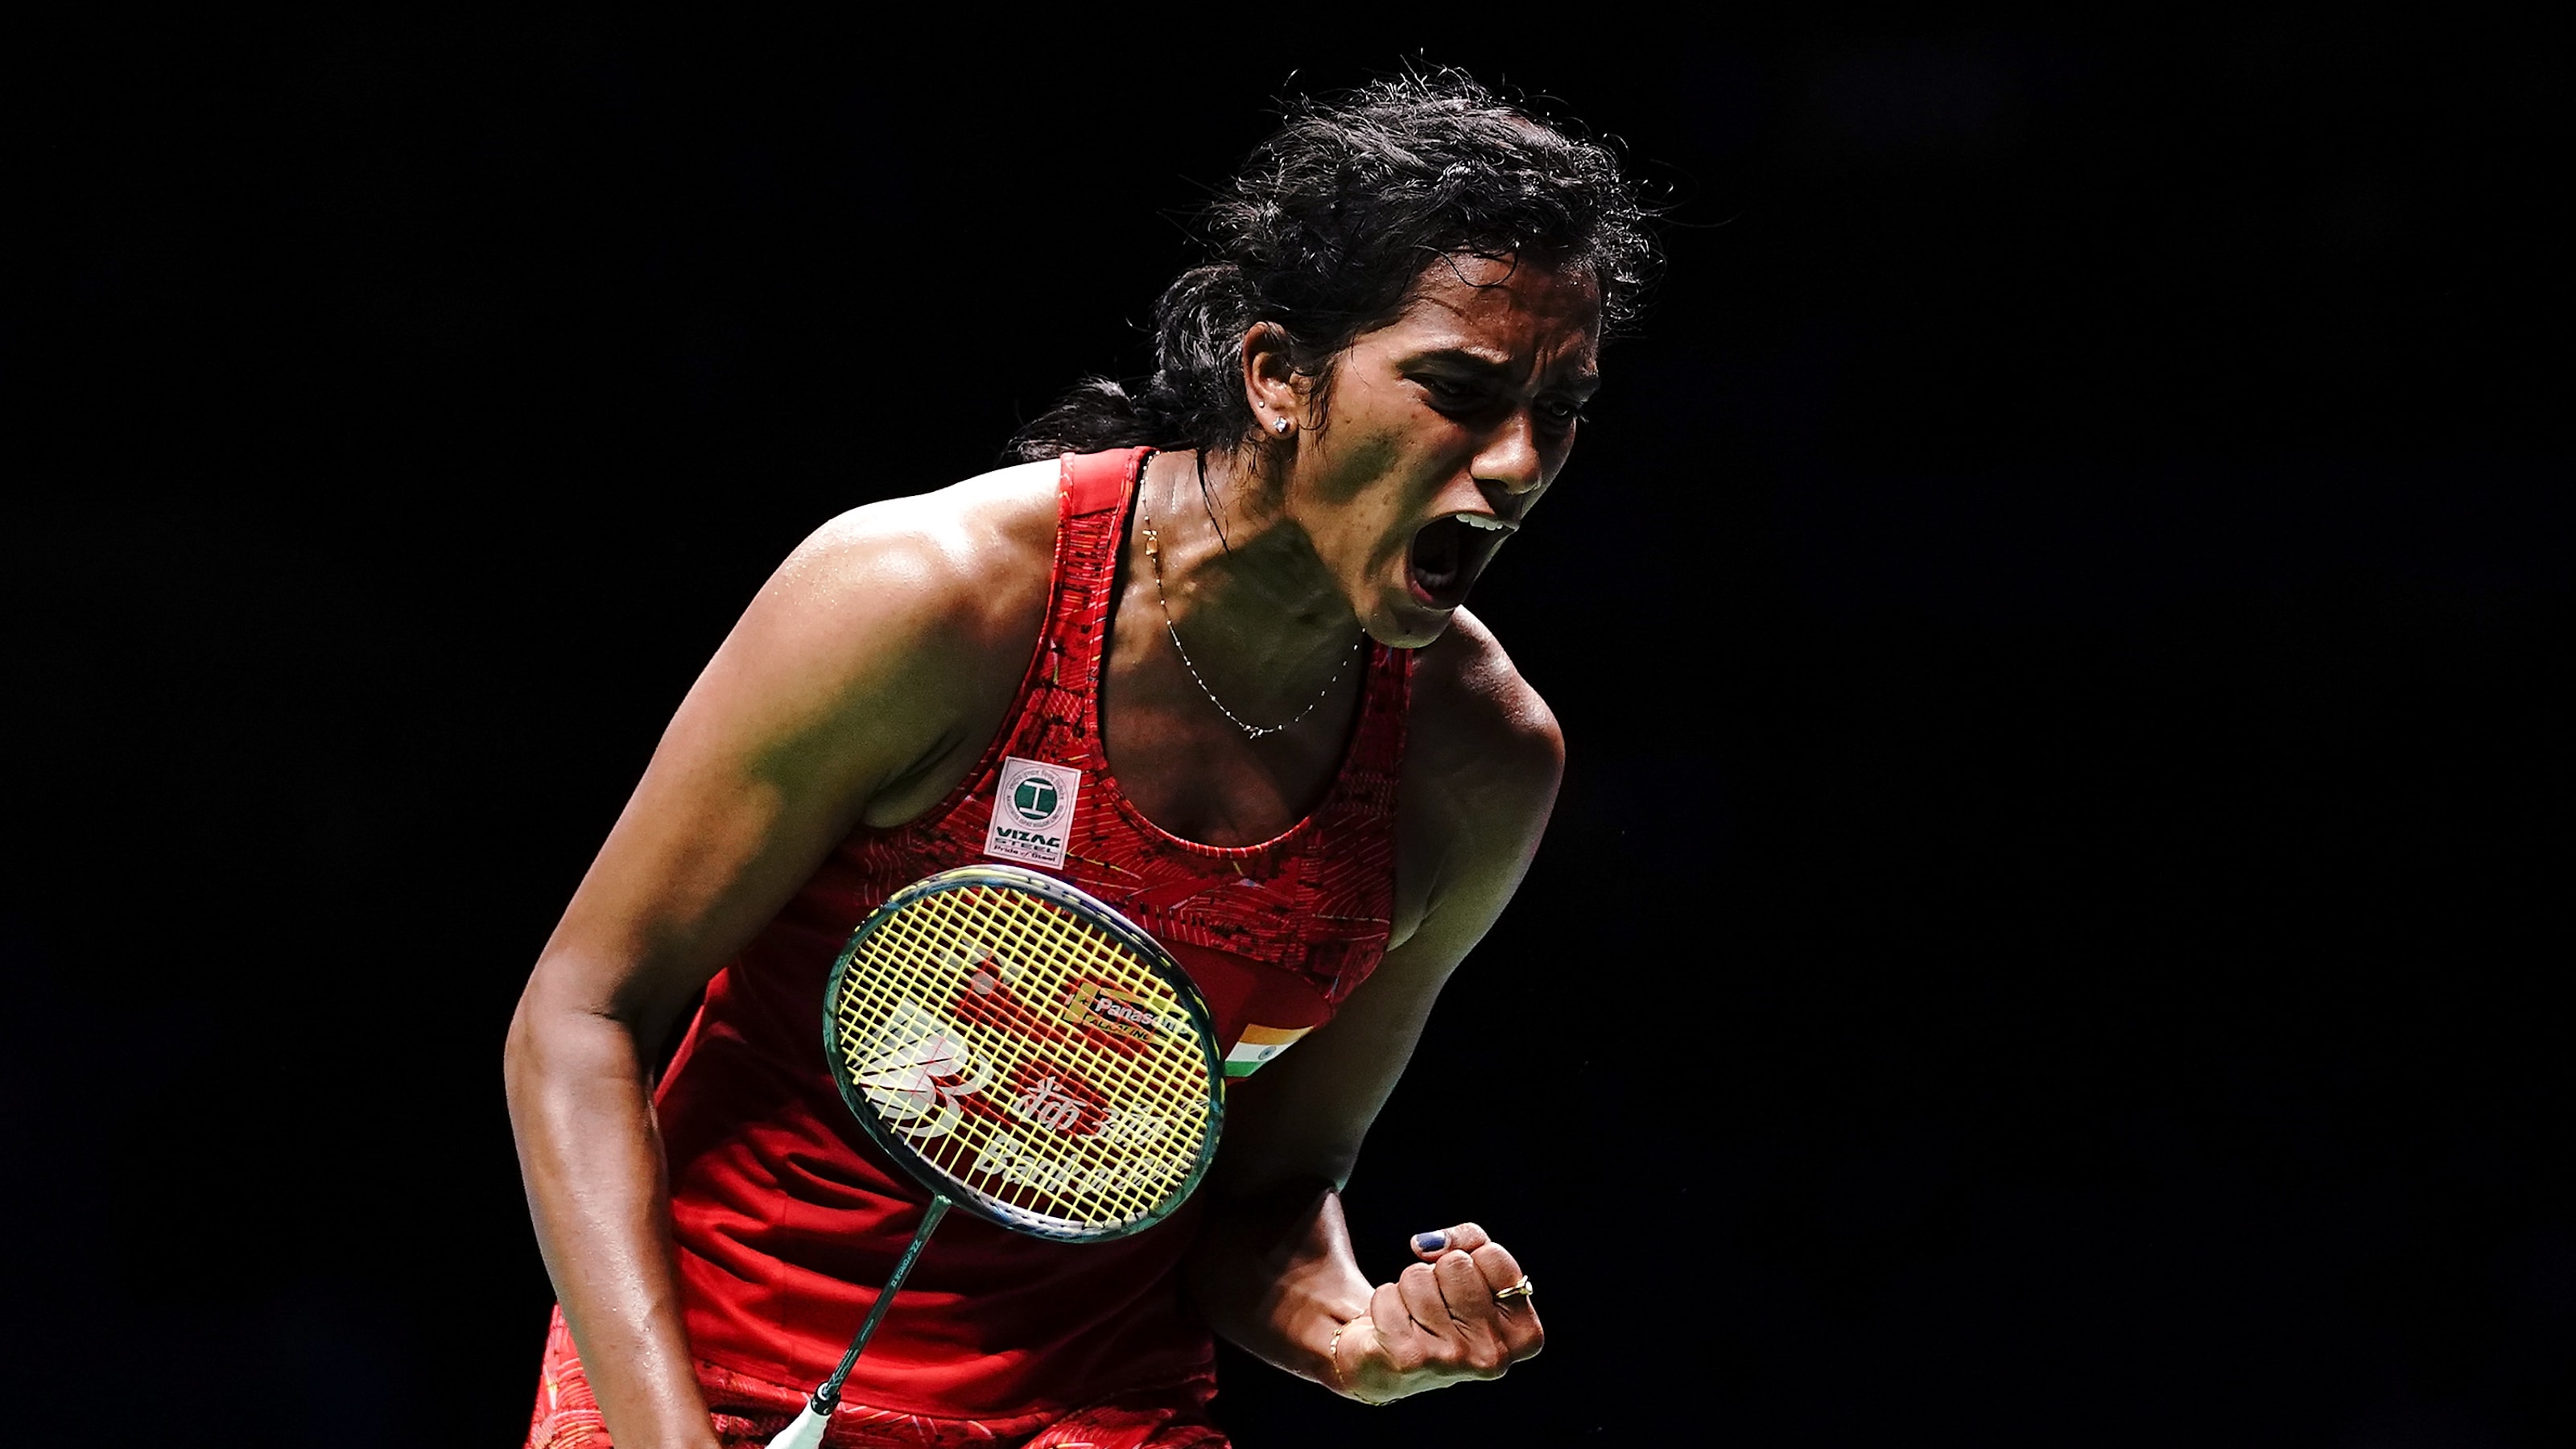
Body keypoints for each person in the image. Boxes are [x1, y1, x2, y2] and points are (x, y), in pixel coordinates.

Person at [505, 71, 1656, 1449]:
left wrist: (1356, 1338)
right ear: (1278, 377)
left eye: (1560, 409)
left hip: (1097, 1410)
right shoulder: (931, 603)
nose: (1520, 463)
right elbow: (581, 1016)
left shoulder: (1475, 770)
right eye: (1458, 392)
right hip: (716, 1374)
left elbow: (1271, 1189)